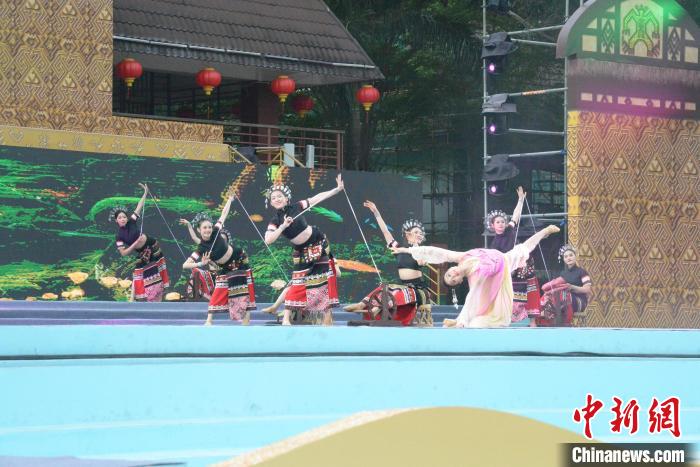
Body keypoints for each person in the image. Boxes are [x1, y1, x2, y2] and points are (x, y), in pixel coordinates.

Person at [391, 225, 560, 328]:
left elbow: (435, 252)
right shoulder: (475, 279)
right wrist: (460, 321)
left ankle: (544, 231)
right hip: (499, 267)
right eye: (453, 280)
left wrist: (406, 250)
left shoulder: (461, 257)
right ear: (459, 281)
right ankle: (544, 232)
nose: (453, 275)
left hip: (500, 257)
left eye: (449, 274)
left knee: (522, 249)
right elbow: (471, 300)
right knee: (522, 251)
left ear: (452, 268)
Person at [264, 176, 343, 326]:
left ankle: (327, 319)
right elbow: (268, 240)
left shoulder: (297, 206)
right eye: (273, 198)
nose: (276, 199)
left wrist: (336, 190)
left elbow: (316, 199)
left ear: (286, 198)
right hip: (302, 252)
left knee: (326, 279)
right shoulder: (275, 221)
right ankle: (286, 319)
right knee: (297, 283)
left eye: (279, 196)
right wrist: (283, 226)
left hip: (317, 241)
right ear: (271, 202)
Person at [344, 201, 432, 326]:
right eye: (416, 232)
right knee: (383, 287)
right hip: (403, 286)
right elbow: (385, 232)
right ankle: (361, 304)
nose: (419, 234)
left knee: (400, 292)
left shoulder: (421, 251)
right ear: (408, 234)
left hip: (419, 289)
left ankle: (377, 309)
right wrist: (376, 212)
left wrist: (418, 251)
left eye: (420, 233)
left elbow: (422, 260)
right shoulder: (398, 248)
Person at [182, 196, 255, 326]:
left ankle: (247, 318)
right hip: (225, 267)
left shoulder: (216, 231)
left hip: (239, 257)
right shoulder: (201, 248)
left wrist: (229, 200)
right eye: (204, 228)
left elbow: (223, 214)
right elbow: (185, 265)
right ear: (199, 230)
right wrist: (201, 264)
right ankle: (209, 320)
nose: (208, 230)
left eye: (209, 227)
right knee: (219, 290)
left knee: (247, 286)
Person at [486, 186, 539, 323]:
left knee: (531, 291)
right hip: (510, 269)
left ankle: (532, 321)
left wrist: (521, 200)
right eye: (498, 222)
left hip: (524, 264)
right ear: (492, 225)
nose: (501, 224)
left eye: (502, 221)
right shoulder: (494, 244)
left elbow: (516, 215)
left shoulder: (509, 229)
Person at [113, 183, 169, 302]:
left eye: (124, 217)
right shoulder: (119, 236)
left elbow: (139, 205)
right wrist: (135, 243)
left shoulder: (132, 221)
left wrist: (145, 193)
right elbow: (123, 253)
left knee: (158, 270)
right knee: (138, 273)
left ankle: (159, 296)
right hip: (142, 252)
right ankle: (133, 299)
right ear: (116, 220)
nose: (123, 219)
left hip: (152, 245)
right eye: (120, 218)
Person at [537, 244, 592, 326]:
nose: (568, 258)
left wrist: (572, 287)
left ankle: (562, 323)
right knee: (548, 295)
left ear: (575, 256)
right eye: (566, 256)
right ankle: (545, 320)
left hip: (579, 301)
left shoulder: (582, 272)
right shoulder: (563, 274)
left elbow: (587, 289)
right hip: (562, 300)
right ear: (563, 259)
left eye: (571, 255)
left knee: (562, 295)